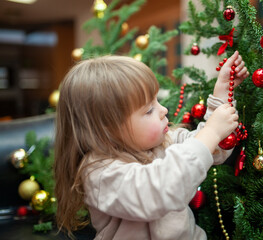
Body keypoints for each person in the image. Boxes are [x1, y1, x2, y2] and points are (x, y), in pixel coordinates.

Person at [54, 51, 249, 240]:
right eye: (149, 110)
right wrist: (212, 132)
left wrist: (222, 93)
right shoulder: (100, 172)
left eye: (158, 101)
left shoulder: (164, 141)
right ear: (107, 129)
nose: (164, 110)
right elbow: (159, 191)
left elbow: (212, 150)